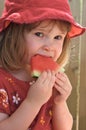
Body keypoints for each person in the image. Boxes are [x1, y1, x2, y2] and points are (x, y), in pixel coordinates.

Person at [0, 0, 85, 130]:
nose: (49, 47)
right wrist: (32, 103)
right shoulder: (2, 82)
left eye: (57, 37)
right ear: (14, 36)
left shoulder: (50, 78)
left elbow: (65, 128)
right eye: (39, 34)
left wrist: (59, 102)